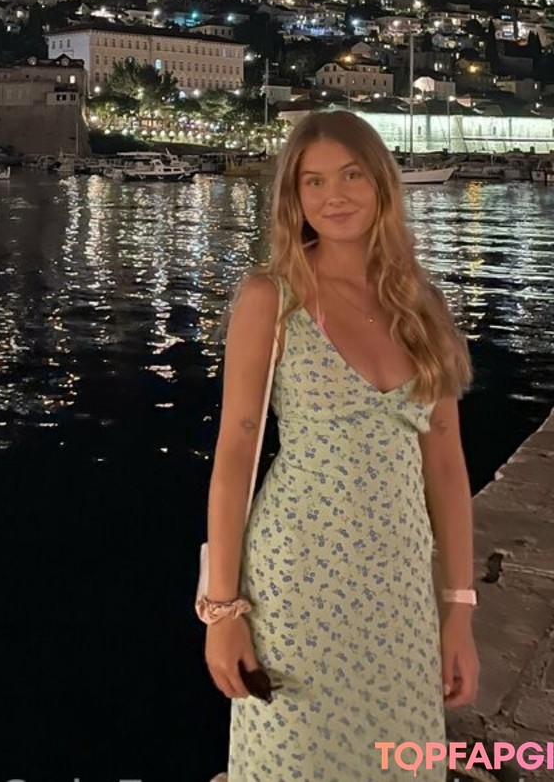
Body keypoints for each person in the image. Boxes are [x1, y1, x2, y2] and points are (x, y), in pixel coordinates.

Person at [200, 111, 479, 781]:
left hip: (400, 584)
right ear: (293, 197)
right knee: (294, 757)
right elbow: (235, 457)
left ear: (381, 182)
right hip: (297, 581)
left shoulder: (423, 306)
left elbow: (446, 467)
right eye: (314, 181)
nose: (335, 195)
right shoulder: (271, 299)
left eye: (352, 174)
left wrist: (459, 610)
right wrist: (223, 610)